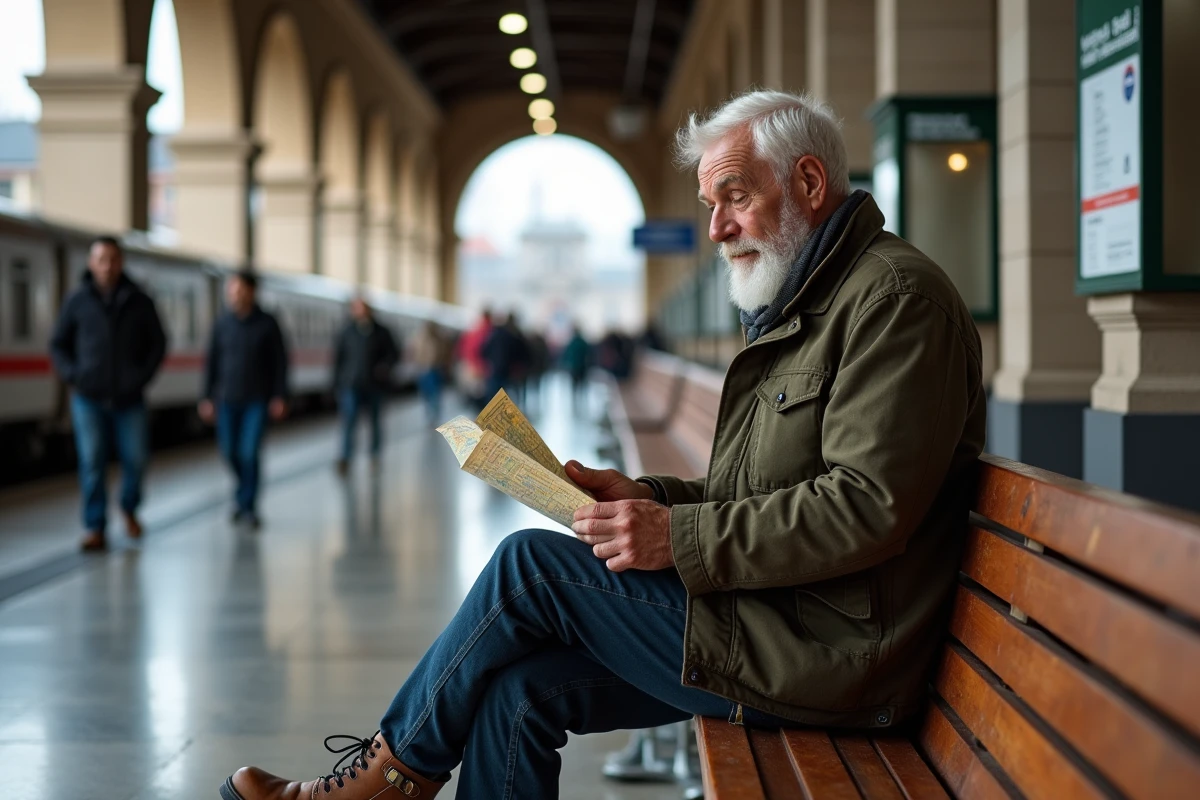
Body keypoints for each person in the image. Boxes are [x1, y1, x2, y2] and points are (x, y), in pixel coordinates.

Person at [221, 90, 986, 800]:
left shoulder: (894, 301)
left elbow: (866, 507)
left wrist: (673, 535)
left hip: (834, 656)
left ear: (810, 183)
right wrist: (647, 499)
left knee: (529, 568)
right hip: (779, 619)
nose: (716, 227)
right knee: (516, 693)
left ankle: (387, 778)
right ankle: (392, 776)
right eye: (710, 203)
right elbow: (765, 493)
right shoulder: (810, 304)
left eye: (735, 196)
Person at [49, 236, 166, 551]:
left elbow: (158, 343)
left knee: (136, 459)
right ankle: (95, 526)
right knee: (92, 461)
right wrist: (74, 376)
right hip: (88, 398)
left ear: (121, 263)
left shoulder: (139, 301)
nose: (107, 266)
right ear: (91, 263)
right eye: (101, 259)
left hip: (130, 399)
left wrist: (140, 377)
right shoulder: (76, 301)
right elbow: (58, 344)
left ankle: (129, 506)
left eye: (113, 259)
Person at [198, 271, 289, 529]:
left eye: (239, 289)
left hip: (257, 400)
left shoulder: (268, 324)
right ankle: (242, 492)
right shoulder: (222, 324)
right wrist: (206, 396)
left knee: (249, 452)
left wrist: (280, 395)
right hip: (227, 400)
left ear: (252, 291)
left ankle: (248, 506)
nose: (234, 294)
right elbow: (211, 363)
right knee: (230, 451)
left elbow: (280, 362)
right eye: (231, 290)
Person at [333, 297, 400, 475]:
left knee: (375, 422)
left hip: (375, 385)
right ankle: (346, 457)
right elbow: (338, 359)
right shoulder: (346, 332)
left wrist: (385, 367)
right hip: (351, 384)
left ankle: (375, 455)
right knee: (349, 422)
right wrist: (336, 384)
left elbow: (394, 354)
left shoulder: (382, 332)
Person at [410, 321, 445, 425]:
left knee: (431, 395)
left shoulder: (420, 338)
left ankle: (432, 416)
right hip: (427, 369)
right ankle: (432, 416)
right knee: (429, 395)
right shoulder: (435, 339)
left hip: (429, 369)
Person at [560, 325, 591, 413]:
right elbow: (589, 354)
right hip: (582, 366)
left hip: (574, 367)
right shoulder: (583, 342)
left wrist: (566, 364)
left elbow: (567, 354)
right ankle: (581, 400)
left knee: (574, 384)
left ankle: (575, 400)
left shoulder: (572, 342)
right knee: (581, 384)